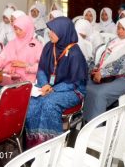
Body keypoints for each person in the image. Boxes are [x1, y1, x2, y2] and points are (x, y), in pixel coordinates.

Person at [25, 17, 88, 148]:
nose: (49, 33)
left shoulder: (75, 53)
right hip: (47, 86)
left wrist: (54, 88)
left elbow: (76, 81)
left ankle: (53, 146)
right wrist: (44, 84)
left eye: (53, 31)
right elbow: (41, 69)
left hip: (72, 90)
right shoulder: (49, 47)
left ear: (63, 31)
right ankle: (34, 143)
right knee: (31, 101)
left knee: (49, 104)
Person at [83, 17, 125, 122]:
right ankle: (86, 121)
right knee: (85, 86)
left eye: (123, 29)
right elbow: (103, 59)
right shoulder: (114, 42)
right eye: (118, 28)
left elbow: (123, 66)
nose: (119, 31)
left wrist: (103, 73)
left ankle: (96, 127)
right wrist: (96, 70)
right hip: (106, 75)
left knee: (100, 93)